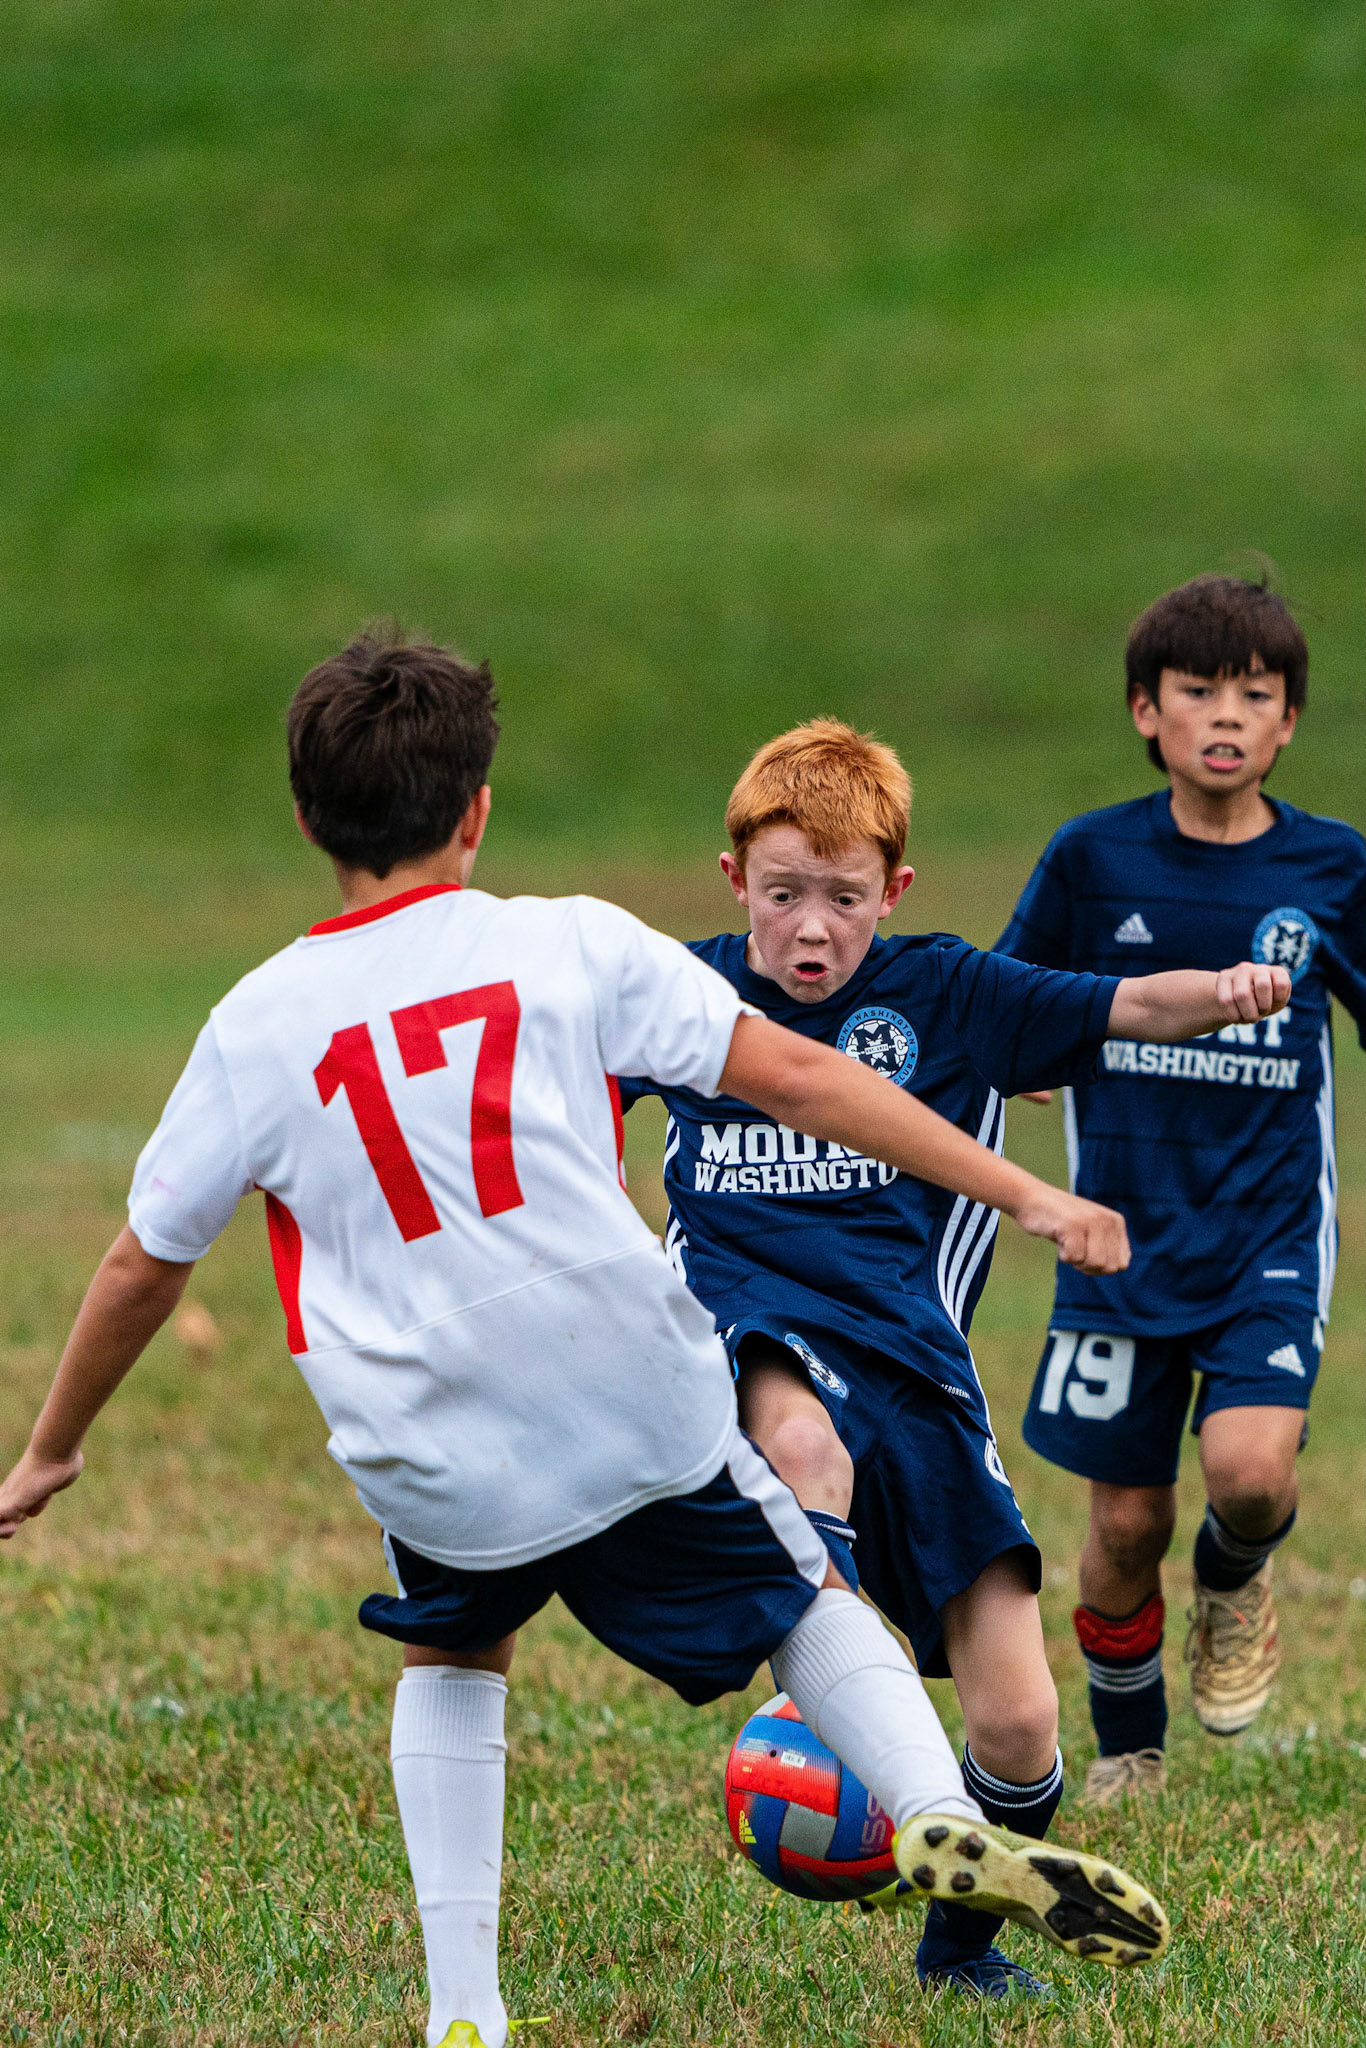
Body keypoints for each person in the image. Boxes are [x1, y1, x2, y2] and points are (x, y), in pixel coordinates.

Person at [0, 635, 1175, 2048]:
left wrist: (51, 1448)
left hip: (429, 1431)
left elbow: (144, 1262)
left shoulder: (253, 1024)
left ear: (308, 819)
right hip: (632, 1389)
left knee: (455, 1654)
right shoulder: (568, 938)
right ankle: (931, 1807)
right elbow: (803, 1077)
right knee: (800, 1598)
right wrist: (1028, 1194)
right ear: (477, 809)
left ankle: (465, 2011)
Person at [619, 715, 1288, 2000]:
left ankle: (959, 1944)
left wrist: (1228, 991)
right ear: (734, 879)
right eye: (782, 894)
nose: (810, 928)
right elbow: (546, 1067)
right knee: (800, 1440)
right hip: (743, 1325)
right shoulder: (685, 995)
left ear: (894, 891)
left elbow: (1123, 1004)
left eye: (843, 898)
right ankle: (823, 1685)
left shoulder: (950, 992)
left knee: (1022, 1719)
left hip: (913, 1365)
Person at [996, 573, 1366, 1803]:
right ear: (1144, 711)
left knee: (1250, 1474)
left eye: (1253, 695)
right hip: (1117, 1240)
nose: (1225, 715)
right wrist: (1021, 1059)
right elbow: (1011, 1001)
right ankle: (1129, 1748)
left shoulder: (1332, 867)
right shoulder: (1089, 858)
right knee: (1121, 1525)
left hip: (1268, 1234)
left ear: (1288, 721)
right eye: (1196, 691)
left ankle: (1233, 1573)